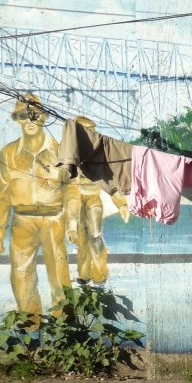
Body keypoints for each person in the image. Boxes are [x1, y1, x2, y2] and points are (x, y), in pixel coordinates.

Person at [0, 94, 73, 320]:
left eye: (34, 115)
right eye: (22, 116)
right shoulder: (8, 153)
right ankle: (30, 322)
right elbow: (2, 194)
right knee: (21, 273)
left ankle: (65, 322)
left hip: (54, 219)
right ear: (17, 120)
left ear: (44, 117)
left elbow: (71, 190)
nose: (28, 121)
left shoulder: (60, 150)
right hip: (22, 221)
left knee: (59, 272)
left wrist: (72, 224)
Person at [64, 116, 129, 288]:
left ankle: (100, 275)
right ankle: (84, 275)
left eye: (91, 131)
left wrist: (121, 202)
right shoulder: (67, 151)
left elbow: (109, 180)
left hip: (93, 198)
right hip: (75, 198)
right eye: (85, 131)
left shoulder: (98, 154)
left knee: (94, 235)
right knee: (80, 238)